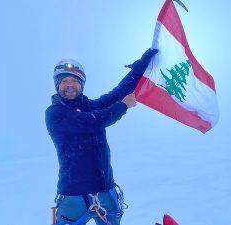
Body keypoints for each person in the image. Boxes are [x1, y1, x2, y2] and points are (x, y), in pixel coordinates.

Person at [45, 48, 158, 225]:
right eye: (64, 81)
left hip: (105, 190)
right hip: (74, 195)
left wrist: (140, 68)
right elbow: (93, 122)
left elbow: (118, 93)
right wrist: (123, 106)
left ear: (81, 84)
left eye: (74, 80)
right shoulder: (54, 113)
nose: (69, 85)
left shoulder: (90, 105)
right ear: (57, 85)